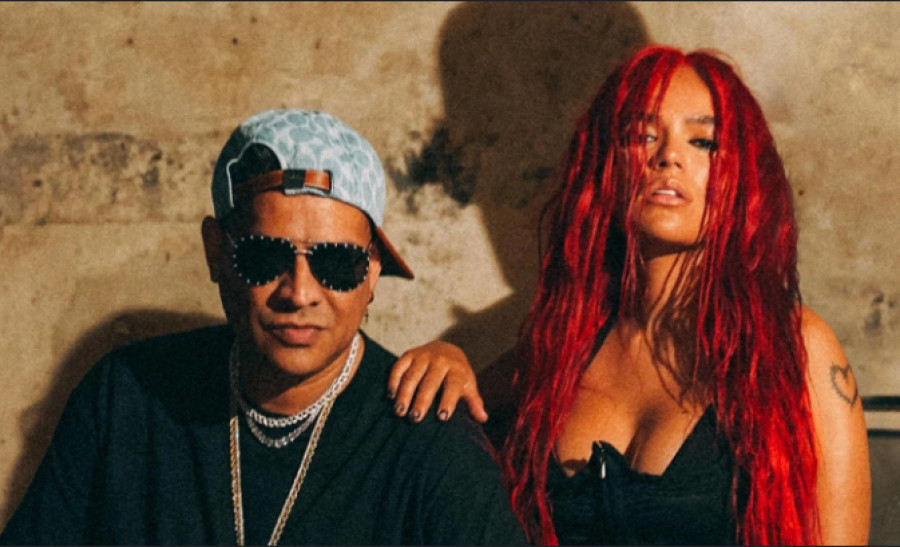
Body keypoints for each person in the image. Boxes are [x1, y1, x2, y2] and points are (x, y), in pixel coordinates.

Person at [387, 46, 871, 545]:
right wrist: (448, 358)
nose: (668, 157)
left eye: (703, 141)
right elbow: (455, 421)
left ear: (744, 173)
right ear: (607, 166)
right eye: (642, 136)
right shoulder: (562, 346)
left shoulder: (797, 347)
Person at [1, 109, 527, 545]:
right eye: (263, 256)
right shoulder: (125, 399)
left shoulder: (429, 442)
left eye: (337, 263)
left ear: (371, 273)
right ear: (217, 253)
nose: (299, 293)